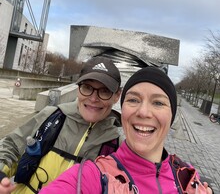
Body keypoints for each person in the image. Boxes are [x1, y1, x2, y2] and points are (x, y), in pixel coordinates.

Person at [39, 66, 213, 194]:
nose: (143, 112)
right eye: (133, 100)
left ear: (172, 116)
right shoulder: (95, 176)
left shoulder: (187, 176)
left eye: (158, 102)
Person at [0, 56, 122, 194]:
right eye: (87, 87)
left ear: (117, 95)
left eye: (104, 91)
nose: (93, 98)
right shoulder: (51, 116)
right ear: (78, 88)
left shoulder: (118, 142)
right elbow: (12, 145)